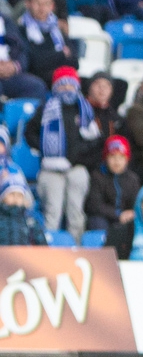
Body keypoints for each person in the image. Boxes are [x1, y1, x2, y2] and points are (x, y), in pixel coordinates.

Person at [24, 65, 99, 235]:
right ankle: (50, 245)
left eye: (70, 84)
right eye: (62, 84)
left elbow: (94, 143)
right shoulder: (45, 109)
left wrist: (76, 159)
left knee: (76, 212)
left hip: (77, 167)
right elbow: (29, 133)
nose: (67, 88)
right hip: (51, 168)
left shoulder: (85, 111)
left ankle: (76, 246)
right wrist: (46, 149)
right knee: (53, 212)